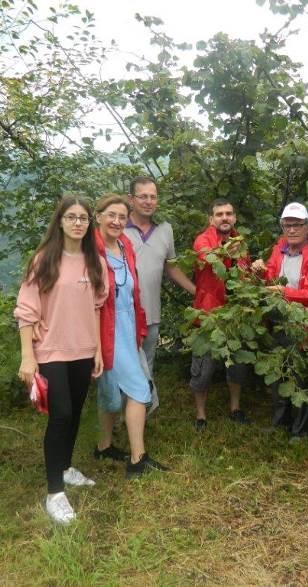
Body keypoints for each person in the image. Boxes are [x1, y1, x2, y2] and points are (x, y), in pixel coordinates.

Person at [15, 196, 107, 524]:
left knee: (75, 413)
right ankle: (55, 493)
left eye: (83, 218)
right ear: (61, 221)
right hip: (50, 351)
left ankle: (66, 468)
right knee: (61, 415)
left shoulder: (94, 262)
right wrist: (28, 358)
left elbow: (96, 307)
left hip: (83, 350)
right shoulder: (45, 259)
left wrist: (97, 349)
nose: (78, 222)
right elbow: (26, 312)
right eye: (72, 217)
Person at [94, 193, 168, 478]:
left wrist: (138, 325)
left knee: (110, 391)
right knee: (139, 388)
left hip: (127, 325)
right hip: (105, 329)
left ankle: (103, 446)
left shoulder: (124, 245)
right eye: (110, 215)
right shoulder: (91, 249)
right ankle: (138, 459)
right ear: (98, 216)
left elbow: (132, 289)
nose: (116, 221)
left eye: (122, 217)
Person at [252, 202, 308, 439]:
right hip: (278, 321)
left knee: (300, 375)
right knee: (279, 372)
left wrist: (281, 292)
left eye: (297, 225)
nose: (292, 230)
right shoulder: (279, 250)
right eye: (287, 225)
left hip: (303, 324)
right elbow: (270, 277)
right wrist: (259, 271)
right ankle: (281, 422)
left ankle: (301, 429)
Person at [124, 176, 195, 383]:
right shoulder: (118, 228)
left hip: (151, 314)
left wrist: (199, 294)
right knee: (123, 370)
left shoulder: (165, 229)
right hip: (122, 314)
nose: (148, 201)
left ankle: (140, 414)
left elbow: (171, 269)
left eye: (153, 197)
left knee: (147, 367)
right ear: (131, 199)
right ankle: (119, 413)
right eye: (143, 196)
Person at [190, 199, 249, 429]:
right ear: (211, 219)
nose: (225, 218)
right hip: (207, 314)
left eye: (229, 213)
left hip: (235, 314)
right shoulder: (202, 240)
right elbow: (209, 259)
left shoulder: (240, 242)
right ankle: (201, 415)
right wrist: (227, 251)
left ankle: (235, 408)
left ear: (234, 218)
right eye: (219, 214)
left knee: (237, 365)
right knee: (203, 368)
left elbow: (243, 274)